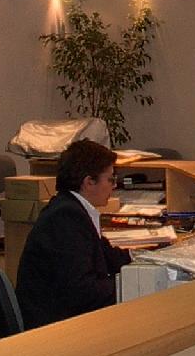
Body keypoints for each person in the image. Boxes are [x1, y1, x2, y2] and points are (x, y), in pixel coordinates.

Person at [16, 140, 131, 329]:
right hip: (54, 323)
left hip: (63, 310)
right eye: (110, 179)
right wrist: (131, 282)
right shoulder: (66, 217)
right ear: (89, 182)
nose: (114, 186)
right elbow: (83, 290)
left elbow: (106, 255)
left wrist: (147, 259)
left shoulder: (70, 207)